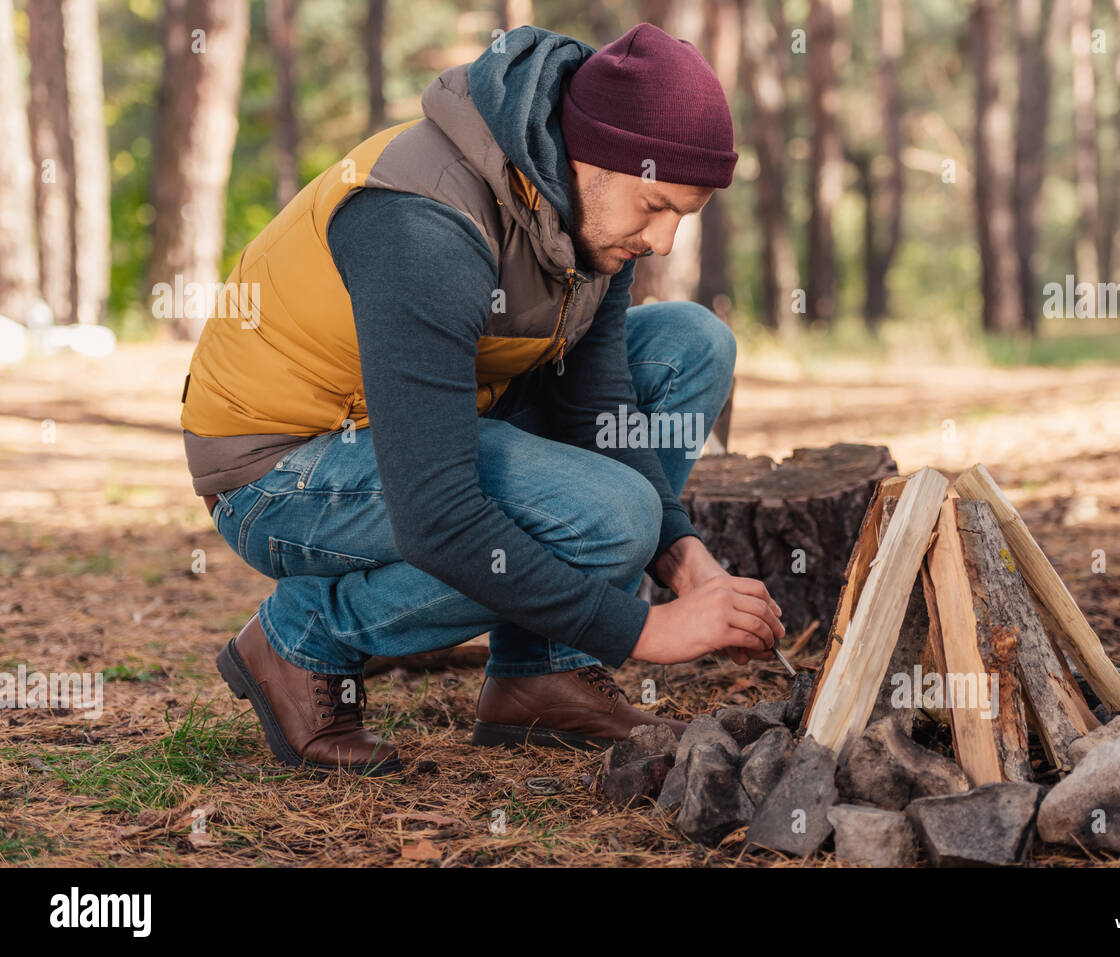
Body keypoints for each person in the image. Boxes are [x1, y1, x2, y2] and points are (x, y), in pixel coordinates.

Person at [180, 22, 784, 776]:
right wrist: (643, 631)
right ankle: (303, 638)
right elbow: (436, 513)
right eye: (655, 206)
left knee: (693, 344)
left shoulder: (588, 216)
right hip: (280, 469)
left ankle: (544, 671)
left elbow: (595, 408)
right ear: (590, 152)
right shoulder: (421, 219)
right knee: (606, 520)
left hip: (419, 428)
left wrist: (684, 558)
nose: (663, 242)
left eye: (682, 218)